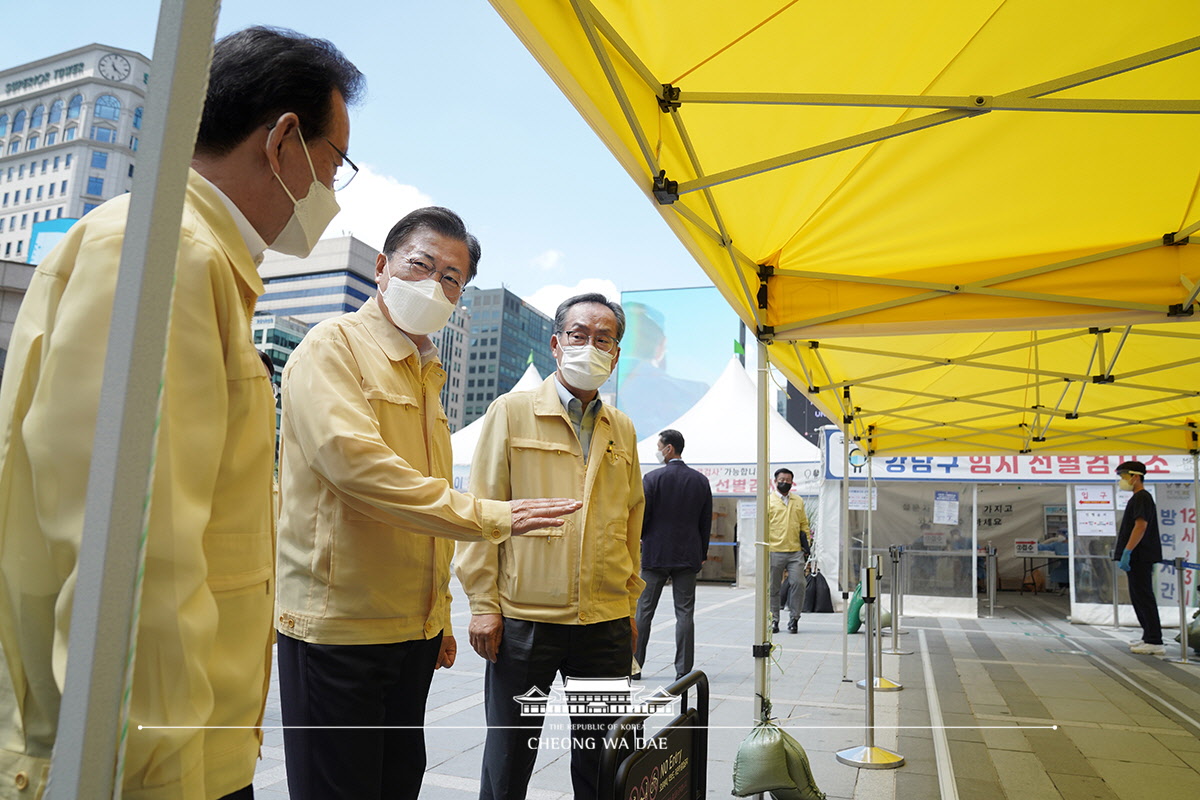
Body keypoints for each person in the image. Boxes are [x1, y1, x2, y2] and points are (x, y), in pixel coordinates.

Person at [0, 26, 362, 799]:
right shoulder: (170, 253)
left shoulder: (193, 254)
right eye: (336, 164)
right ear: (284, 140)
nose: (331, 190)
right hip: (162, 765)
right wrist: (164, 772)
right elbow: (142, 561)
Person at [273, 208, 581, 800]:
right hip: (338, 628)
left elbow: (426, 503)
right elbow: (357, 468)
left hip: (408, 634)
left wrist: (437, 616)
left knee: (396, 782)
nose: (436, 285)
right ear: (383, 268)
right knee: (338, 786)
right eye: (423, 265)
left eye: (452, 278)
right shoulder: (332, 346)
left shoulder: (428, 371)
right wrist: (491, 517)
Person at [456, 293, 645, 800]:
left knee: (606, 756)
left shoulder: (621, 427)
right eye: (579, 335)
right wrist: (482, 606)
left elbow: (631, 522)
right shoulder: (512, 412)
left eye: (603, 338)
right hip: (525, 623)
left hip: (603, 624)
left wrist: (627, 605)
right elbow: (481, 510)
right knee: (511, 755)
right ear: (557, 344)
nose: (590, 346)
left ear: (616, 354)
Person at [633, 429, 712, 681]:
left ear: (669, 449)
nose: (657, 451)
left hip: (655, 554)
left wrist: (642, 541)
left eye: (659, 446)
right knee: (685, 612)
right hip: (688, 555)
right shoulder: (700, 481)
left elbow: (643, 517)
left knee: (644, 610)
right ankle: (683, 670)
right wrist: (702, 553)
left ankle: (634, 666)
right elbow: (705, 521)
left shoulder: (652, 479)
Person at [1113, 461, 1165, 655]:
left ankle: (1155, 640)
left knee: (1144, 597)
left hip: (1140, 555)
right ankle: (1148, 636)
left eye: (1124, 476)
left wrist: (1128, 551)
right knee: (1138, 597)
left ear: (1135, 477)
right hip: (1137, 555)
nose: (1122, 481)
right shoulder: (1137, 498)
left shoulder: (1142, 497)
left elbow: (1141, 526)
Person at [768, 467, 811, 634]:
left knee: (799, 584)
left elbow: (804, 524)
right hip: (774, 550)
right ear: (775, 480)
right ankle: (774, 620)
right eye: (781, 480)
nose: (784, 483)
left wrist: (806, 544)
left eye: (788, 480)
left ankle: (794, 619)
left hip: (795, 551)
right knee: (773, 588)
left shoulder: (798, 500)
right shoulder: (768, 501)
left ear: (792, 482)